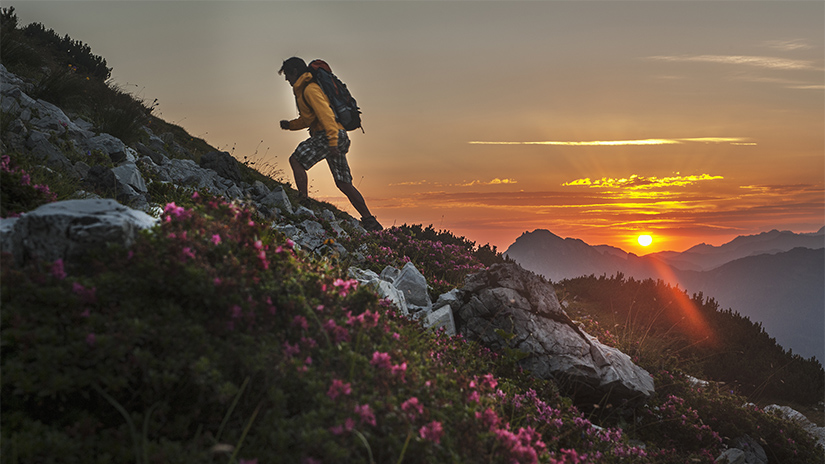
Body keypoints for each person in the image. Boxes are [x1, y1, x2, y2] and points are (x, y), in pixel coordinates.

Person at [278, 57, 383, 232]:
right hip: (337, 135)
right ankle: (370, 221)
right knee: (343, 182)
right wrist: (290, 125)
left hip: (329, 135)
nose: (287, 80)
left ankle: (303, 202)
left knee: (296, 160)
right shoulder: (307, 88)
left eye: (287, 75)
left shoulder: (309, 89)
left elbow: (326, 115)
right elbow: (309, 118)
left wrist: (332, 141)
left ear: (295, 71)